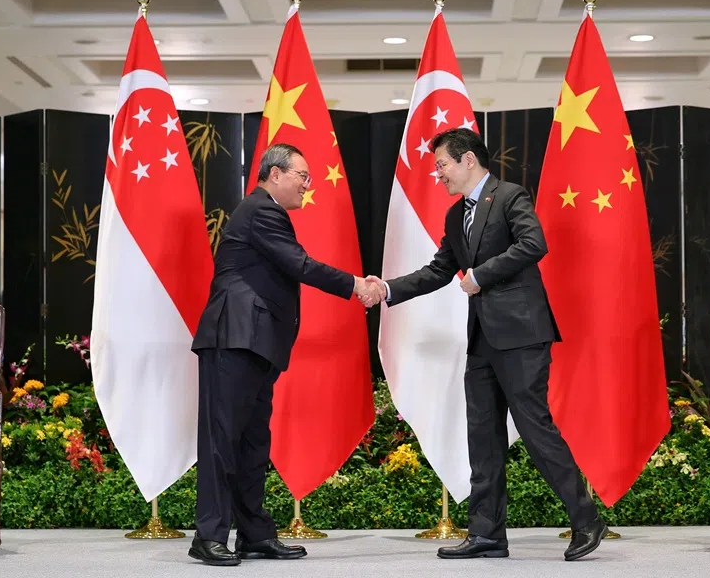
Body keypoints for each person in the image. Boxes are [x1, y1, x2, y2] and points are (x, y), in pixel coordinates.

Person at [367, 128, 606, 561]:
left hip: (521, 335)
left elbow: (534, 244)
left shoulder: (511, 196)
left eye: (441, 164)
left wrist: (480, 275)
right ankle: (487, 533)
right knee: (483, 435)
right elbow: (440, 269)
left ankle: (586, 519)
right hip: (481, 340)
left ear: (468, 161)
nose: (436, 173)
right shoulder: (455, 215)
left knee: (534, 428)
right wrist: (386, 289)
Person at [188, 143, 381, 566]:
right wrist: (355, 285)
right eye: (302, 176)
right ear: (275, 174)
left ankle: (254, 535)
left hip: (256, 342)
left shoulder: (264, 212)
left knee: (254, 442)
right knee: (223, 441)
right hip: (233, 339)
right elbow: (300, 265)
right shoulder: (262, 210)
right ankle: (208, 536)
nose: (308, 186)